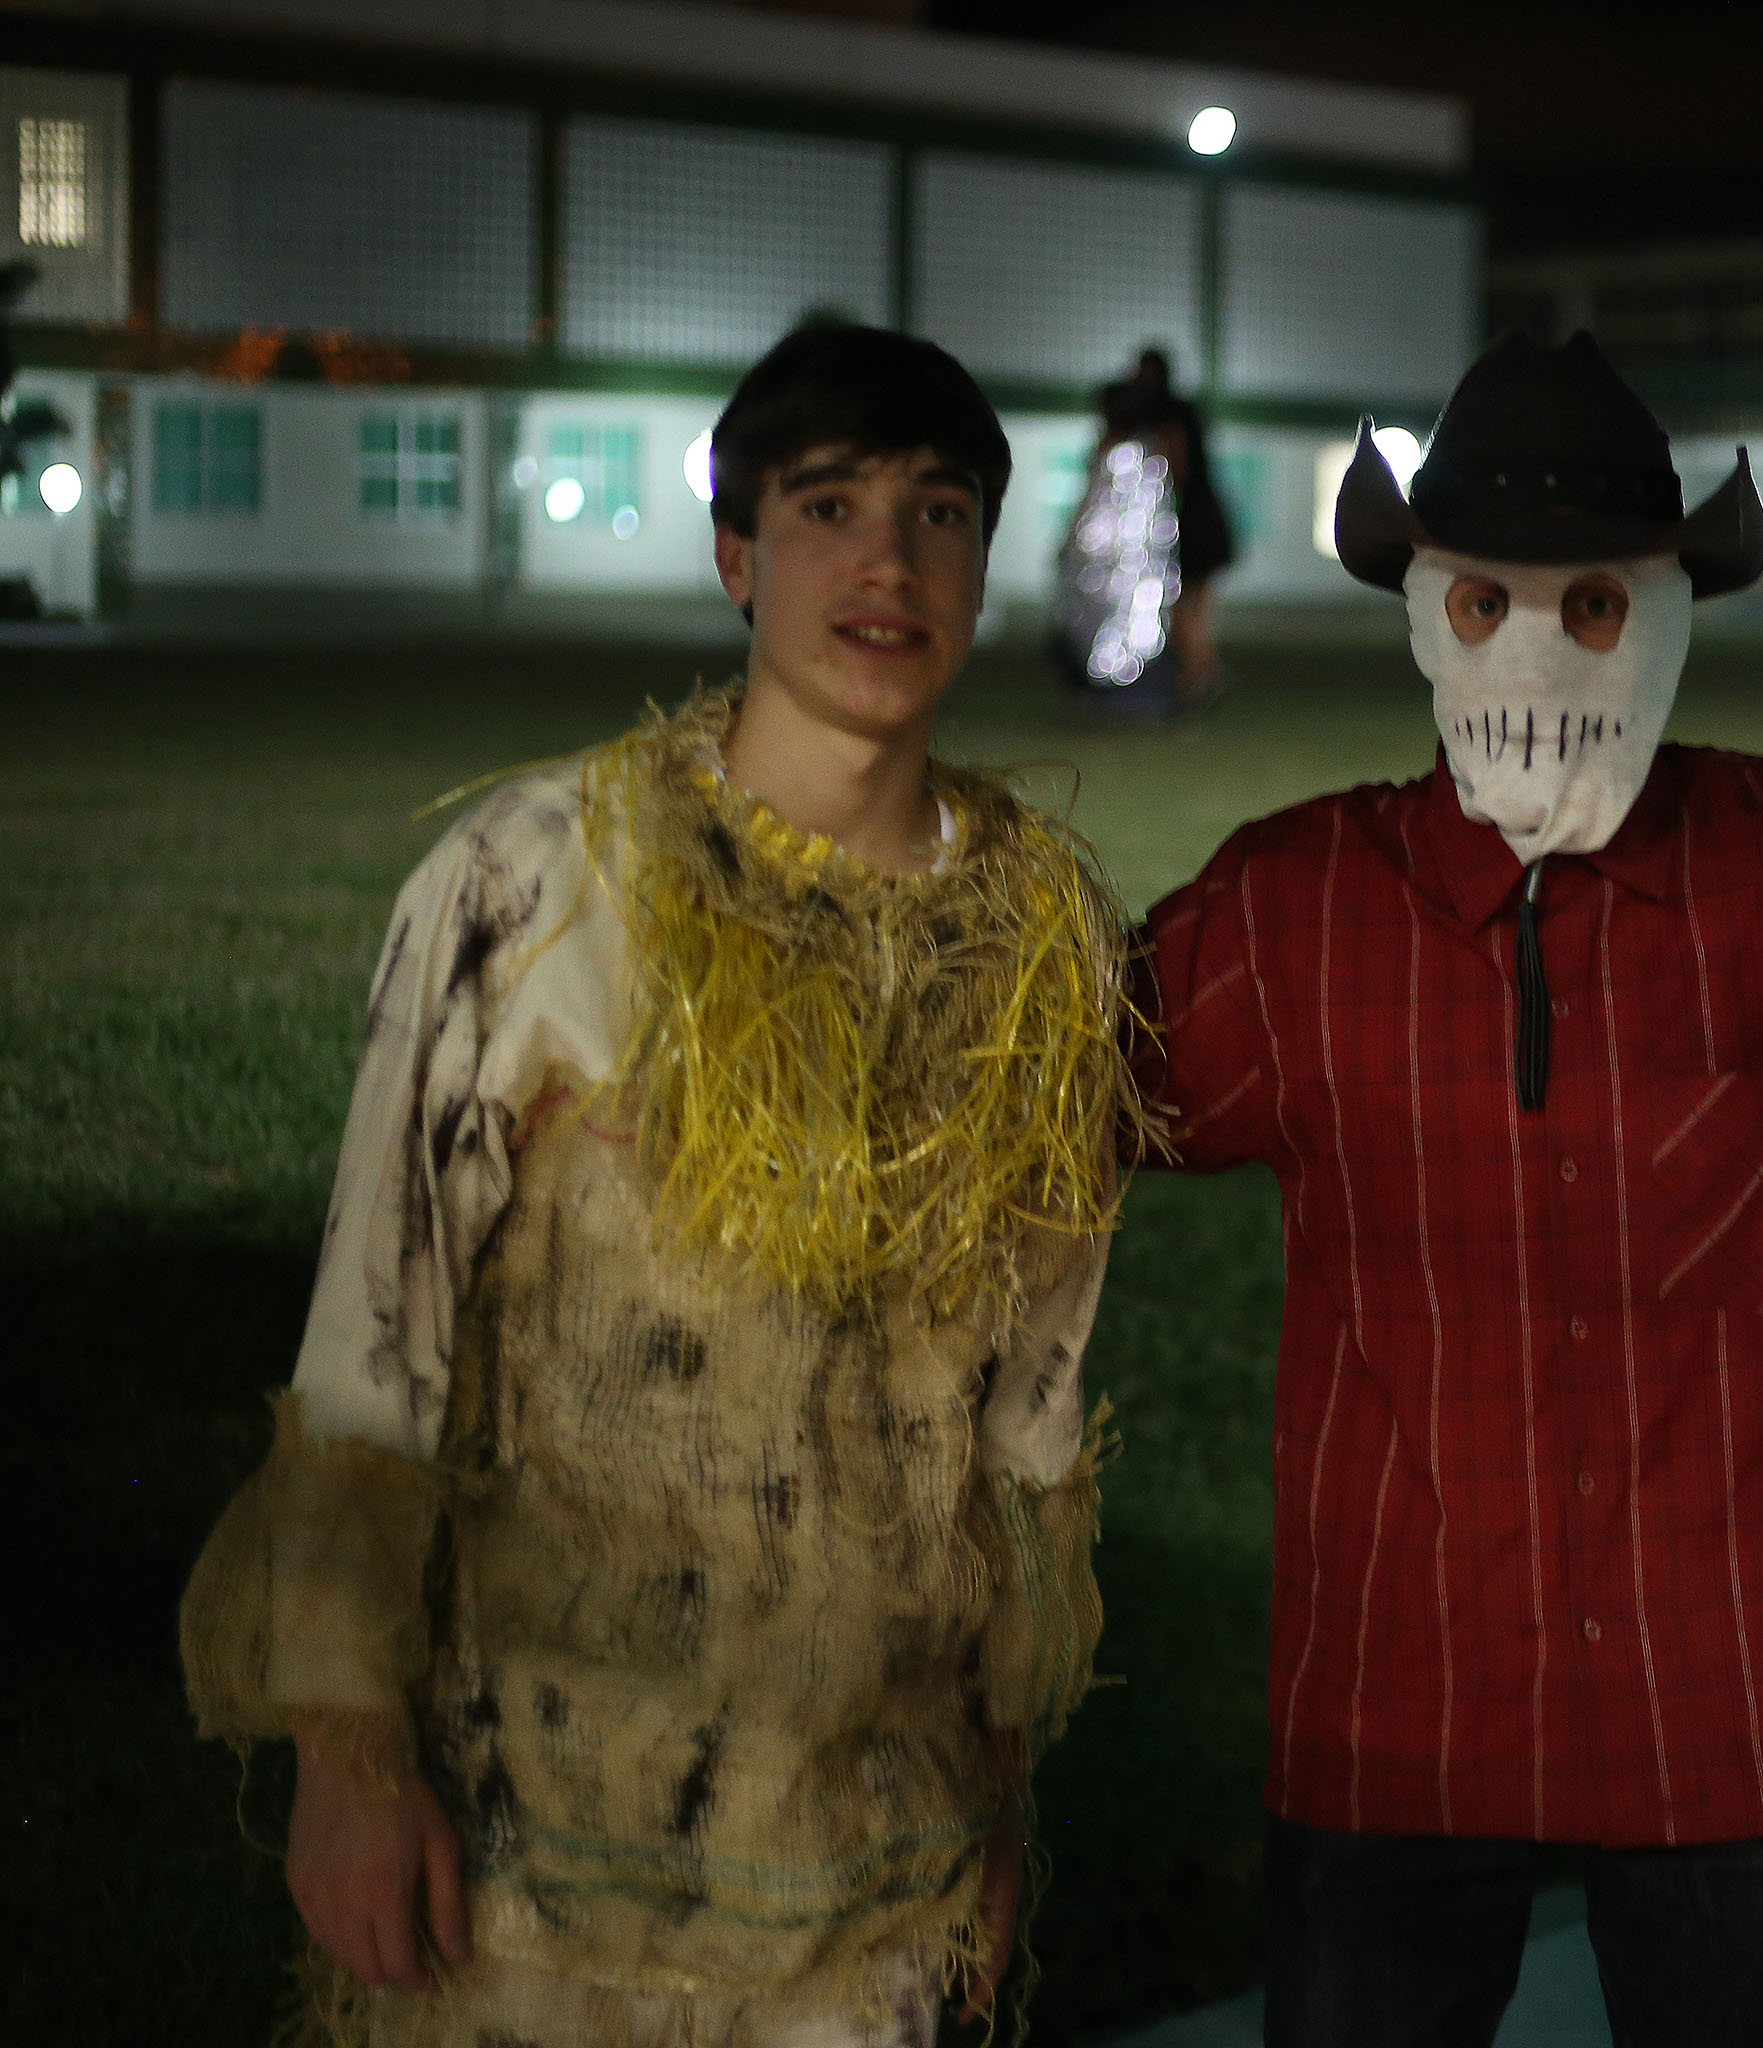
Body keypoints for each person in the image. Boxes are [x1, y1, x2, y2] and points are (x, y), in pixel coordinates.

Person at [177, 325, 1140, 2048]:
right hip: (531, 1855)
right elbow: (376, 1335)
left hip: (871, 1868)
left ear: (983, 561)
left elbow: (1028, 1407)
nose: (886, 561)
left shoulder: (1047, 942)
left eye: (936, 512)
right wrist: (350, 1757)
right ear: (736, 555)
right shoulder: (543, 877)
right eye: (827, 506)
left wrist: (992, 1798)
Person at [1132, 332, 1763, 2047]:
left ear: (1669, 611)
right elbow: (1046, 1102)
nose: (1536, 652)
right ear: (1425, 612)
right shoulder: (1299, 906)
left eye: (1594, 605)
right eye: (1486, 604)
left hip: (1719, 1689)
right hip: (1402, 1690)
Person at [1054, 347, 1236, 710]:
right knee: (1189, 612)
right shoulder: (1174, 415)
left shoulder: (1164, 418)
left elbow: (1177, 469)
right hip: (1199, 520)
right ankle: (1196, 679)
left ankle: (1202, 676)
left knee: (1185, 613)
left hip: (1193, 524)